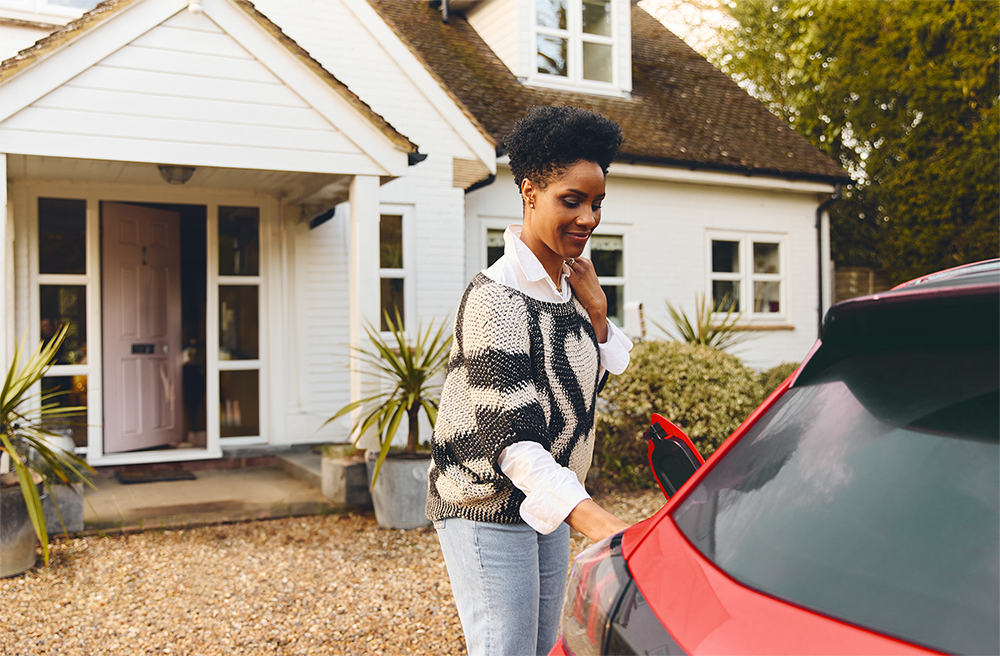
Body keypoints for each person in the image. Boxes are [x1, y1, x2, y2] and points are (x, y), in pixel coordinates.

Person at [426, 106, 634, 656]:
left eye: (597, 203)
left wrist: (596, 313)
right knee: (507, 648)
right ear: (529, 192)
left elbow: (579, 401)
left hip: (546, 501)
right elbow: (515, 440)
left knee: (541, 648)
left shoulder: (568, 290)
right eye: (572, 200)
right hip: (488, 502)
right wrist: (602, 523)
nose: (588, 217)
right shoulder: (495, 298)